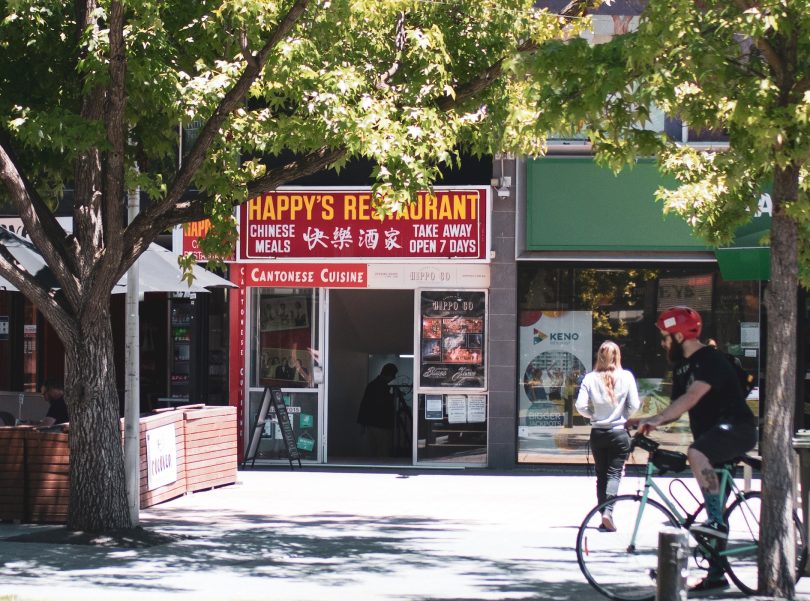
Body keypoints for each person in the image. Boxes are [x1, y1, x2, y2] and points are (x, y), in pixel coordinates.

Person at [626, 306, 757, 593]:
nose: (662, 343)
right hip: (715, 435)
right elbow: (676, 407)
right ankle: (716, 573)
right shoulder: (682, 367)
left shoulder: (709, 359)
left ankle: (715, 521)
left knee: (696, 454)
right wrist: (645, 420)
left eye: (664, 337)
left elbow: (693, 395)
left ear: (679, 335)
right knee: (714, 493)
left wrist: (657, 419)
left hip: (737, 429)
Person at [575, 341, 640, 532]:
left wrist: (593, 415)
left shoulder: (590, 378)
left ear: (599, 357)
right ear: (618, 356)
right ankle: (608, 512)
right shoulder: (626, 376)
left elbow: (580, 406)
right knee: (614, 474)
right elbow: (634, 404)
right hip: (619, 433)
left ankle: (603, 514)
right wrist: (624, 416)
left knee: (601, 475)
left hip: (598, 433)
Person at [356, 363, 398, 456]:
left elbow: (364, 405)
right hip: (382, 425)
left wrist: (362, 423)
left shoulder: (372, 385)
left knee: (372, 451)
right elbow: (383, 404)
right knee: (383, 451)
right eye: (393, 376)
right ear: (389, 375)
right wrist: (393, 397)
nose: (393, 378)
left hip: (371, 424)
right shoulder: (382, 387)